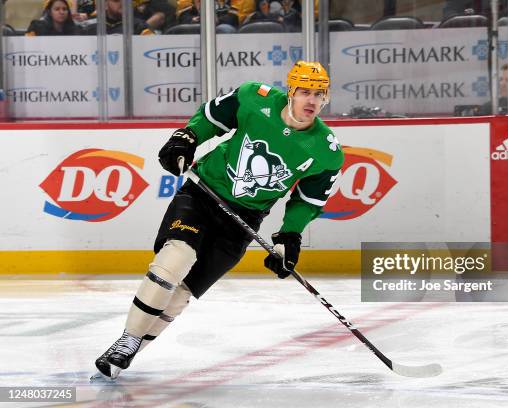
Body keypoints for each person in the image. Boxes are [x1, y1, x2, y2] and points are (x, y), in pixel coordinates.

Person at [93, 61, 344, 379]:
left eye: (319, 94)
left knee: (182, 293)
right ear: (290, 91)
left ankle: (124, 353)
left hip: (244, 219)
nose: (311, 101)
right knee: (176, 257)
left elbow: (308, 201)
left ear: (326, 98)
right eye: (305, 91)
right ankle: (127, 340)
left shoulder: (326, 150)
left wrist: (289, 236)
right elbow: (212, 117)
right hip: (202, 194)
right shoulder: (256, 97)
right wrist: (187, 137)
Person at [83, 0, 153, 35]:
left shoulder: (140, 26)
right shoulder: (88, 25)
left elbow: (153, 49)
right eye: (116, 0)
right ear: (104, 4)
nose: (123, 2)